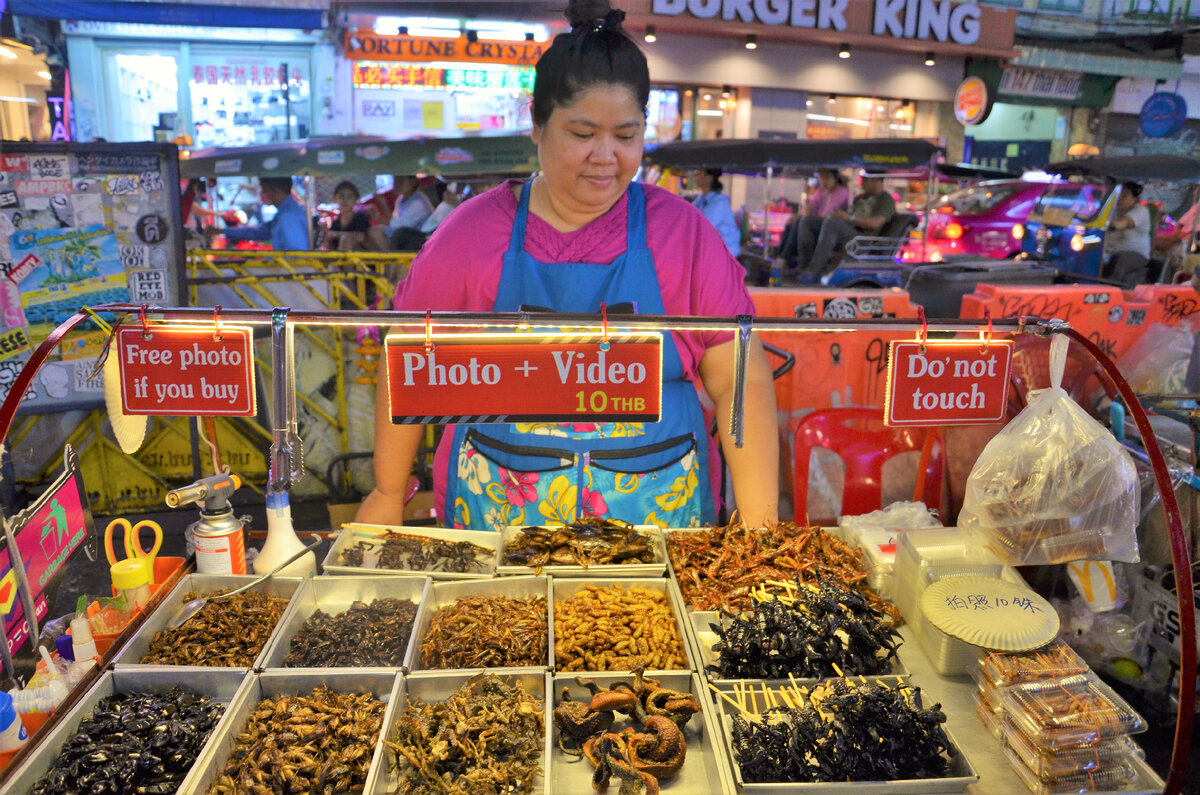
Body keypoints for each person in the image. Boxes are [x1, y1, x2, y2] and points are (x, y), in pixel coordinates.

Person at [356, 0, 779, 531]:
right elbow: (409, 363)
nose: (606, 156)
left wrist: (760, 525)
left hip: (659, 513)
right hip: (500, 518)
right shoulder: (469, 235)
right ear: (537, 126)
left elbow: (741, 381)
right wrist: (388, 491)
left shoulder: (683, 235)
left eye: (626, 136)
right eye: (582, 134)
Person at [799, 173, 895, 282]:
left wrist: (850, 218)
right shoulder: (860, 198)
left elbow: (875, 223)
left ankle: (812, 271)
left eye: (864, 180)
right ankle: (803, 266)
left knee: (832, 223)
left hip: (861, 240)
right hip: (846, 232)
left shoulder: (886, 200)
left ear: (875, 180)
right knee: (808, 220)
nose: (861, 183)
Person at [774, 169, 850, 280]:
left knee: (805, 221)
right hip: (816, 224)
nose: (824, 181)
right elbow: (809, 212)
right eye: (821, 177)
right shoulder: (820, 191)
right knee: (794, 222)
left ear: (835, 178)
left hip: (829, 229)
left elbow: (826, 217)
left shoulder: (841, 192)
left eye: (827, 178)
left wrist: (805, 217)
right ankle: (781, 257)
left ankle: (800, 263)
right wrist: (807, 199)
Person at [217, 176, 309, 250]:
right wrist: (222, 231)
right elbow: (258, 232)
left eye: (264, 190)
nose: (262, 194)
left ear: (275, 191)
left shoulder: (288, 218)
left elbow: (295, 255)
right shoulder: (284, 213)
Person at [1103, 181, 1151, 287]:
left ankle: (1110, 288)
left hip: (1136, 255)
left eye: (1124, 196)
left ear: (1134, 199)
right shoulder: (1111, 210)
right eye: (1118, 194)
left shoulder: (1141, 211)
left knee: (1121, 259)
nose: (1119, 198)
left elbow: (1125, 222)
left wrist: (1110, 225)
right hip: (1110, 253)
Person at [691, 168, 740, 256]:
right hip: (713, 249)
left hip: (726, 254)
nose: (695, 175)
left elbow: (701, 226)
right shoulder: (702, 198)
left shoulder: (719, 203)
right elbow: (689, 212)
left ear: (709, 178)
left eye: (699, 173)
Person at [321, 181, 373, 251]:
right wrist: (326, 237)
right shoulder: (336, 222)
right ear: (335, 199)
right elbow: (332, 246)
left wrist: (336, 234)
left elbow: (361, 237)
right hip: (341, 256)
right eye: (341, 196)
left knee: (346, 240)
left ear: (355, 200)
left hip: (361, 257)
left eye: (349, 197)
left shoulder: (360, 217)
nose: (345, 200)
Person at [387, 175, 435, 250]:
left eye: (401, 180)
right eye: (395, 180)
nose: (397, 184)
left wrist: (383, 205)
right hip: (402, 238)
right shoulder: (400, 200)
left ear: (413, 182)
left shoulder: (419, 203)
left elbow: (397, 226)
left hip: (415, 241)